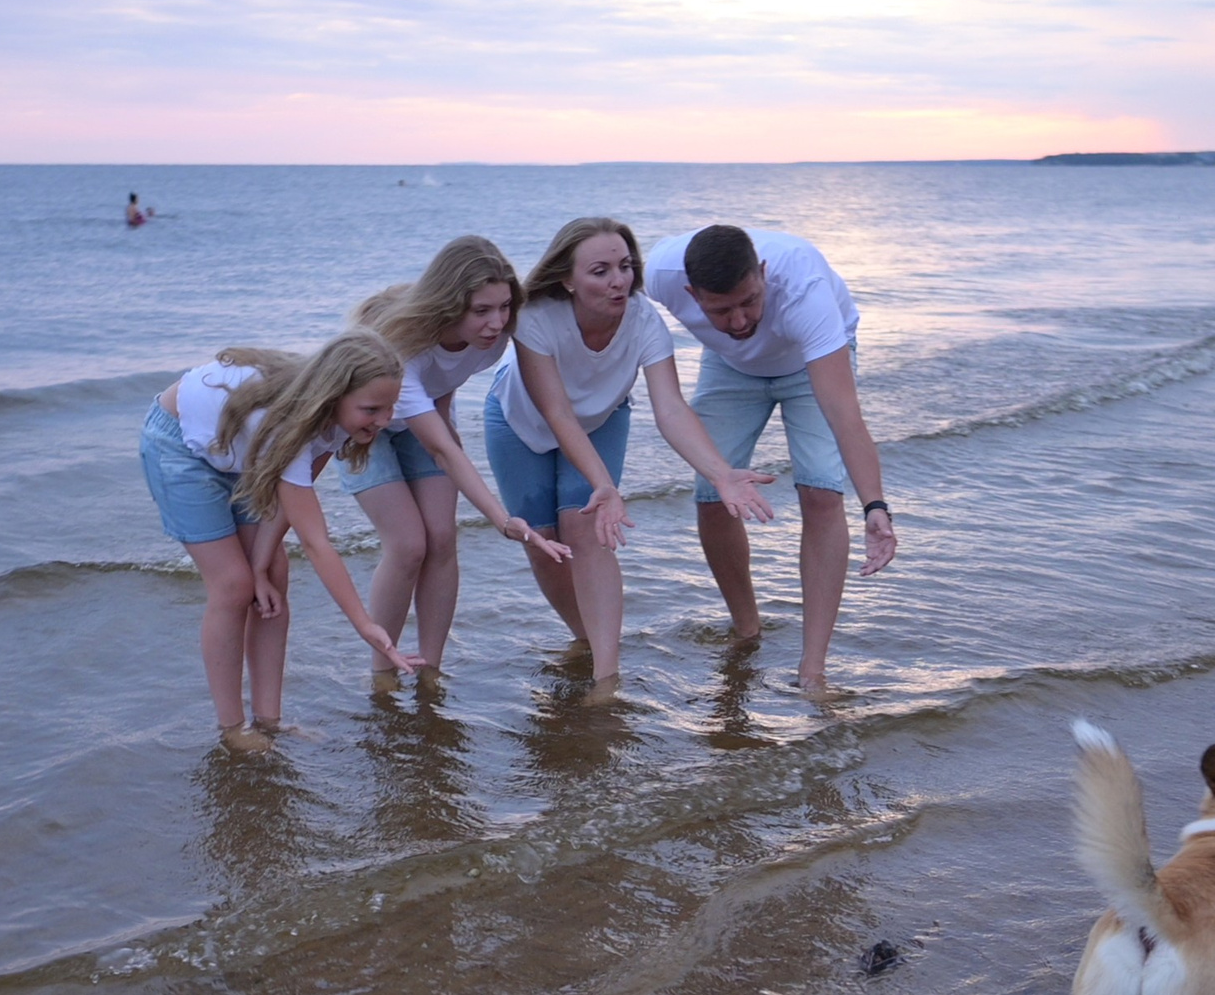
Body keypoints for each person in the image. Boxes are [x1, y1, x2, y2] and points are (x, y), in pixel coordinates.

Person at [486, 218, 776, 692]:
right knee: (541, 540)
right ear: (567, 279)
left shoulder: (644, 320)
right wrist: (604, 482)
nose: (618, 280)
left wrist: (719, 473)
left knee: (586, 525)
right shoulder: (536, 316)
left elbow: (670, 408)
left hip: (601, 420)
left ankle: (606, 676)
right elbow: (557, 413)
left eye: (624, 266)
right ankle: (584, 636)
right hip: (518, 421)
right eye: (599, 271)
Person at [139, 333, 423, 754]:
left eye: (389, 409)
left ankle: (269, 720)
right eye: (371, 409)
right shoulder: (290, 426)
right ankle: (232, 727)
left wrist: (261, 562)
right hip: (181, 446)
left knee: (273, 572)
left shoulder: (333, 425)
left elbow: (286, 503)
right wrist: (364, 624)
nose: (383, 421)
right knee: (233, 585)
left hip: (246, 453)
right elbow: (316, 542)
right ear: (334, 394)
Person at [644, 223, 897, 690]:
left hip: (809, 362)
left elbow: (845, 417)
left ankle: (813, 668)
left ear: (762, 272)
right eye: (720, 310)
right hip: (730, 367)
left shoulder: (805, 293)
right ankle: (746, 629)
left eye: (750, 301)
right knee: (713, 493)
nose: (739, 321)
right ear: (688, 293)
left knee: (821, 492)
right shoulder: (657, 273)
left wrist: (875, 506)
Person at [344, 236, 571, 679]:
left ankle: (430, 667)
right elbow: (440, 448)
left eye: (504, 307)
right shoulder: (402, 350)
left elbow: (444, 384)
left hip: (421, 421)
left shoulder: (493, 341)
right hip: (362, 429)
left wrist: (446, 424)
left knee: (443, 538)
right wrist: (503, 519)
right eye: (481, 311)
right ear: (450, 305)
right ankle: (383, 672)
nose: (496, 322)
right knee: (409, 544)